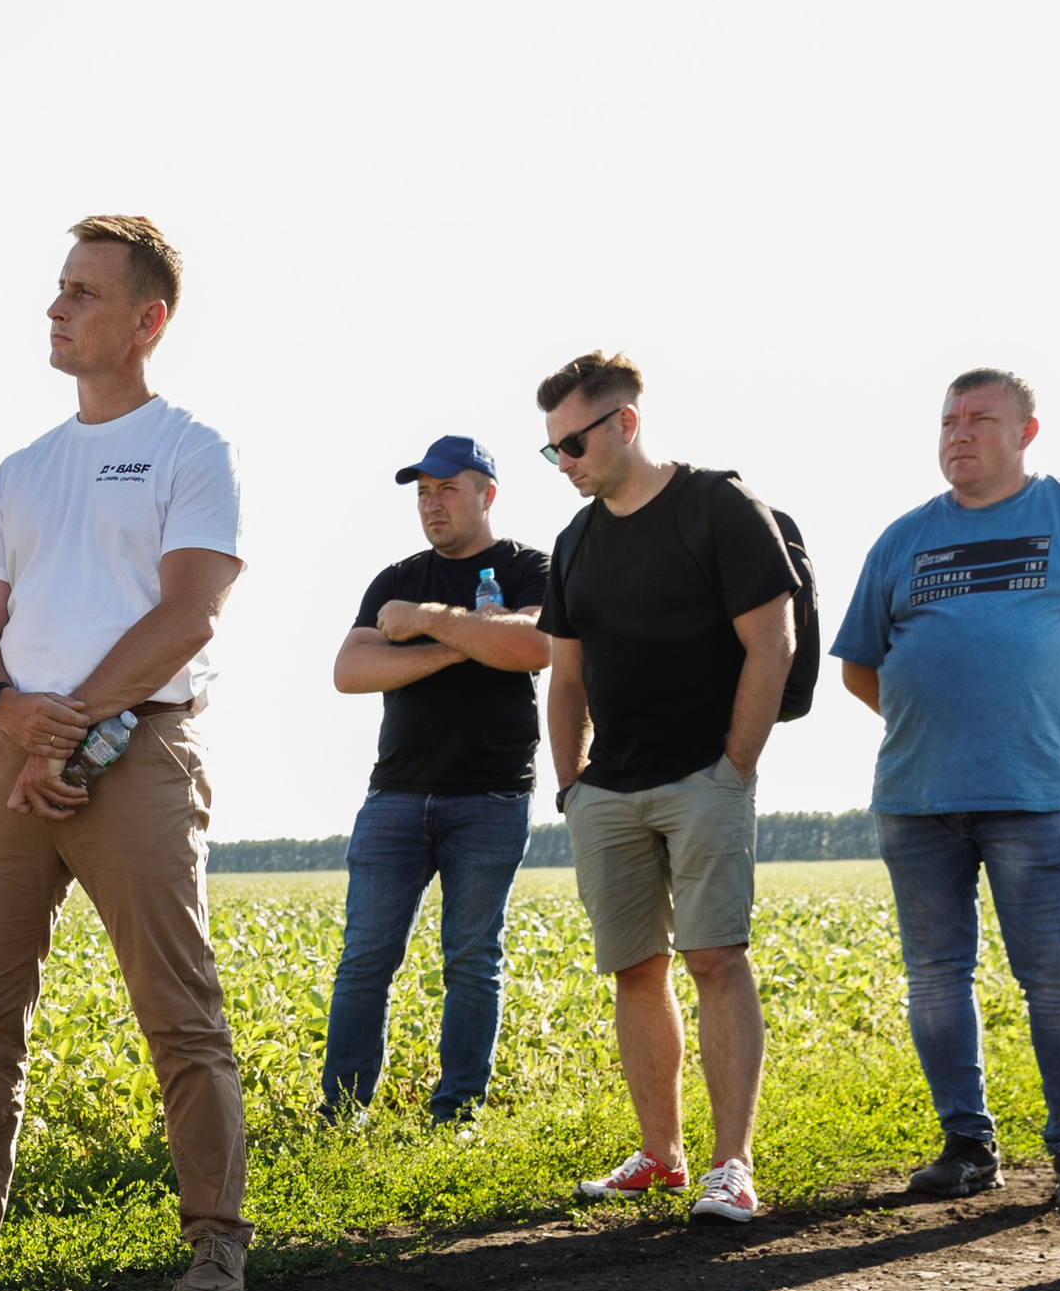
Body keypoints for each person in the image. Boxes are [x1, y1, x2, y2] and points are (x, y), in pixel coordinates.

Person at [0, 214, 247, 1291]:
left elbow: (189, 612)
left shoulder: (192, 450)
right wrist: (12, 713)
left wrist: (78, 721)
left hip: (136, 752)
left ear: (149, 319)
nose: (55, 308)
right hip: (8, 757)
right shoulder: (21, 470)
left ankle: (216, 1239)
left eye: (83, 293)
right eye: (56, 288)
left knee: (177, 1010)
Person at [835, 369, 1060, 1212]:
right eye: (947, 420)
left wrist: (1057, 702)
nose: (958, 433)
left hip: (1034, 788)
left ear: (1028, 431)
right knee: (936, 974)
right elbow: (860, 664)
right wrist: (930, 716)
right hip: (915, 795)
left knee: (1054, 975)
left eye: (979, 418)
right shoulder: (902, 539)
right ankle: (968, 1145)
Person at [538, 353, 797, 1230]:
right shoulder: (573, 543)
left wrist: (735, 763)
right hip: (609, 791)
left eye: (573, 442)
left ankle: (733, 1166)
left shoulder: (717, 508)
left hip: (704, 777)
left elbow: (775, 641)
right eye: (552, 451)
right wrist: (572, 782)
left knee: (716, 959)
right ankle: (661, 1154)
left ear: (624, 423)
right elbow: (564, 676)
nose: (564, 462)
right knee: (634, 971)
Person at [325, 432, 550, 1122]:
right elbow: (350, 670)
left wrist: (425, 626)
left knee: (472, 961)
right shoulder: (395, 578)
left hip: (491, 793)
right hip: (395, 794)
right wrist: (466, 644)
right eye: (423, 493)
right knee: (365, 958)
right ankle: (342, 1114)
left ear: (487, 493)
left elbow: (536, 645)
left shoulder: (533, 568)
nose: (432, 504)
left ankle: (456, 1113)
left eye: (447, 489)